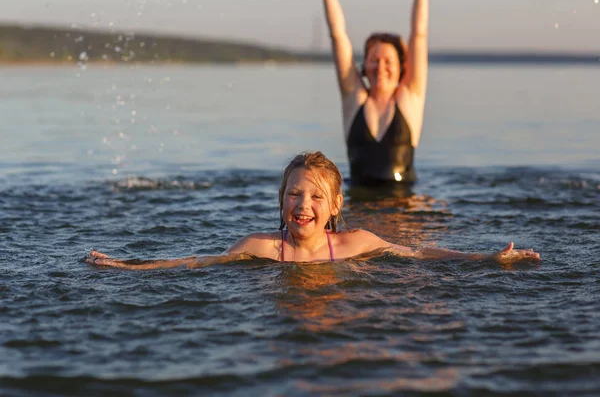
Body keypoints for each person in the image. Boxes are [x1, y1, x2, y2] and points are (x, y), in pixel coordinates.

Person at [87, 151, 540, 269]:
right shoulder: (262, 248)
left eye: (316, 197)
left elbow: (419, 255)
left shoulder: (354, 244)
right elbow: (197, 262)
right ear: (281, 200)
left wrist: (485, 258)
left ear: (334, 206)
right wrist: (128, 267)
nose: (303, 205)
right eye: (294, 194)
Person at [322, 0, 428, 186]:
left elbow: (419, 34)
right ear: (365, 65)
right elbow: (337, 35)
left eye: (388, 61)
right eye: (374, 60)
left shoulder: (409, 98)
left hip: (403, 209)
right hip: (360, 209)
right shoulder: (354, 98)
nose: (380, 67)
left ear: (401, 67)